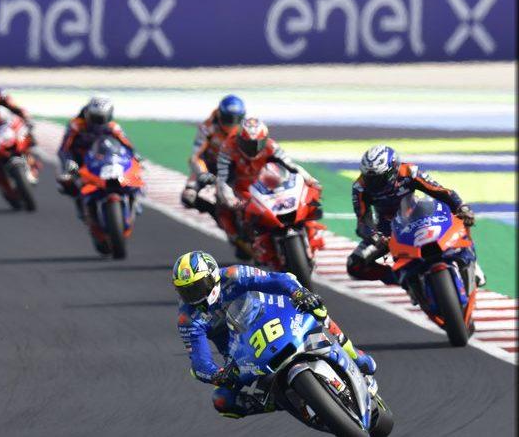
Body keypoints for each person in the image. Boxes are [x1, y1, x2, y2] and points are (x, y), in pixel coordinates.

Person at [173, 251, 376, 419]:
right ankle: (278, 401)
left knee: (317, 310)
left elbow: (277, 279)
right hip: (239, 352)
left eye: (198, 287)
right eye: (186, 291)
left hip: (271, 316)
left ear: (213, 277)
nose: (194, 296)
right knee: (222, 401)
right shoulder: (187, 318)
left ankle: (353, 354)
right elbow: (199, 361)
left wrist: (298, 293)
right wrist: (217, 374)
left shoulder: (234, 275)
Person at [347, 145, 483, 286]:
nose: (373, 183)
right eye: (369, 178)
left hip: (418, 217)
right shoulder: (360, 187)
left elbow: (440, 191)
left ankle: (472, 262)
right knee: (354, 264)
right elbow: (362, 221)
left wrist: (461, 206)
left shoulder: (409, 171)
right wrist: (374, 236)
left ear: (393, 169)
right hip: (387, 232)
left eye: (379, 178)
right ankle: (400, 277)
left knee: (462, 217)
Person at [215, 118, 320, 259]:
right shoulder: (228, 149)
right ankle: (242, 240)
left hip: (267, 182)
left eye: (258, 143)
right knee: (224, 208)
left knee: (305, 202)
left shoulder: (271, 146)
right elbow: (223, 178)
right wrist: (230, 200)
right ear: (239, 140)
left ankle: (311, 234)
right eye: (248, 144)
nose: (254, 148)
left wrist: (310, 180)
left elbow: (291, 166)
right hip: (242, 189)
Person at [55, 96, 136, 211]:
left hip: (105, 160)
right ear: (88, 114)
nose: (98, 122)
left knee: (134, 175)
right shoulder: (76, 125)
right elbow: (64, 149)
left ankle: (134, 198)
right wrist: (68, 163)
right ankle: (82, 204)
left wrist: (135, 158)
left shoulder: (113, 127)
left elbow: (127, 145)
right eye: (95, 117)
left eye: (102, 118)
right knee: (65, 181)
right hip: (80, 162)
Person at [180, 95, 247, 209]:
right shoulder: (207, 127)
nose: (232, 124)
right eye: (228, 119)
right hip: (210, 165)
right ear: (220, 115)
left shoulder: (247, 128)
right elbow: (195, 156)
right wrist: (203, 173)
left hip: (235, 168)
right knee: (188, 196)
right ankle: (213, 210)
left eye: (237, 119)